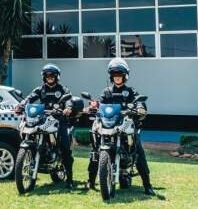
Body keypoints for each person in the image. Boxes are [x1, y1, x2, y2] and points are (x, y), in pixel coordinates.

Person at [88, 58, 155, 195]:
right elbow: (99, 103)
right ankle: (90, 180)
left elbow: (138, 102)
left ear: (125, 76)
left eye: (119, 74)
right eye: (114, 75)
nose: (117, 77)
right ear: (111, 76)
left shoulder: (130, 91)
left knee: (138, 152)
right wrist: (94, 106)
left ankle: (147, 185)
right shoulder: (106, 91)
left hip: (125, 126)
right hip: (108, 125)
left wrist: (140, 107)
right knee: (96, 151)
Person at [15, 63, 75, 188]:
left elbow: (69, 100)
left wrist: (68, 107)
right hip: (43, 119)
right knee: (30, 133)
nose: (50, 78)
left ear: (56, 77)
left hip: (59, 120)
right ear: (44, 77)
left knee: (65, 147)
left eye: (52, 76)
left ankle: (69, 179)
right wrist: (21, 105)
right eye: (47, 76)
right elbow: (29, 98)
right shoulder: (40, 89)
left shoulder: (63, 89)